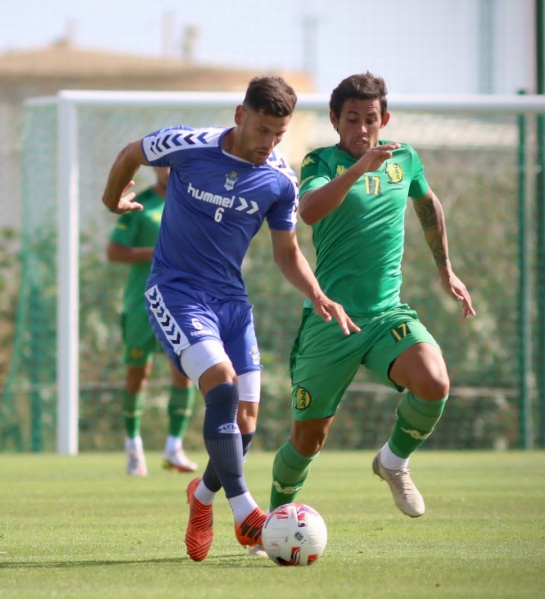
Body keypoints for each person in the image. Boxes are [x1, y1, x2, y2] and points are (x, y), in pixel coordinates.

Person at [101, 76, 358, 562]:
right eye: (262, 130)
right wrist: (111, 198)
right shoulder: (187, 145)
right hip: (175, 291)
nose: (269, 144)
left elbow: (287, 253)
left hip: (231, 304)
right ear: (241, 116)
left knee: (246, 422)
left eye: (278, 135)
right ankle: (246, 514)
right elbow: (131, 153)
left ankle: (201, 498)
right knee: (220, 386)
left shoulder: (281, 180)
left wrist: (318, 293)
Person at [268, 72, 476, 523]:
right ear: (335, 120)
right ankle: (273, 521)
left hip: (385, 315)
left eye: (370, 119)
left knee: (434, 381)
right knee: (307, 441)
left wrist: (445, 269)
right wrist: (360, 169)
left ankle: (393, 461)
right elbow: (308, 212)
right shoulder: (319, 161)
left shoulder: (405, 160)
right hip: (330, 319)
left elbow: (427, 204)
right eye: (352, 119)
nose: (362, 129)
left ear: (385, 119)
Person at [107, 165, 198, 476]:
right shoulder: (141, 204)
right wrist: (159, 253)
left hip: (180, 305)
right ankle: (133, 446)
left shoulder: (193, 202)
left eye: (175, 164)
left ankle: (174, 446)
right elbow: (114, 251)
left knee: (184, 372)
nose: (169, 170)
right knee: (137, 375)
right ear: (156, 169)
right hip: (141, 304)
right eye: (163, 164)